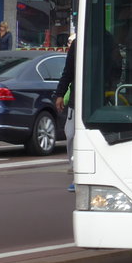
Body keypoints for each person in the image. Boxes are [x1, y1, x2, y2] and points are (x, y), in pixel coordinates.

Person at [55, 32, 77, 190]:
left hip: (97, 98)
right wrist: (60, 94)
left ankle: (79, 176)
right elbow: (68, 71)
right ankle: (75, 168)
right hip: (78, 99)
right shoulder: (77, 44)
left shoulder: (107, 39)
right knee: (70, 134)